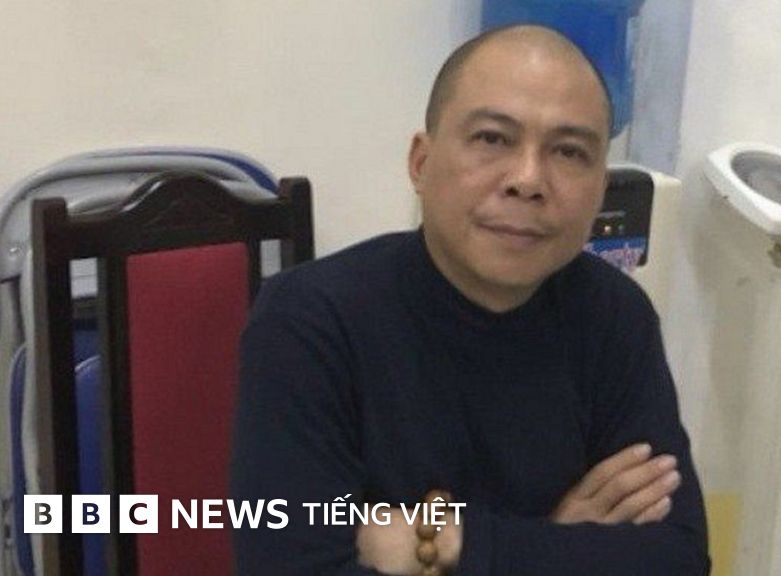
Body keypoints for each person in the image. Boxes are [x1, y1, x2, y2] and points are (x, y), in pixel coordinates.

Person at [231, 24, 709, 575]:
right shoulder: (309, 321)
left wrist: (445, 540)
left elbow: (677, 558)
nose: (528, 180)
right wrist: (560, 544)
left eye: (569, 151)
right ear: (420, 163)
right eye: (492, 139)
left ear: (600, 189)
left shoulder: (615, 315)